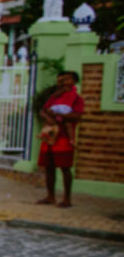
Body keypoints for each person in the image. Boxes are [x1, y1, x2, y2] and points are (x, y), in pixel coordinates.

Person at [36, 71, 84, 208]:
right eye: (61, 80)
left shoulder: (77, 99)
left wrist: (57, 115)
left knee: (65, 168)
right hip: (50, 135)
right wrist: (49, 118)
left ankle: (67, 199)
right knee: (48, 167)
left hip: (63, 136)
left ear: (74, 81)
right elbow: (44, 110)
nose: (63, 82)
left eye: (67, 79)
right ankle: (50, 196)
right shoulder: (55, 97)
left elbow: (76, 116)